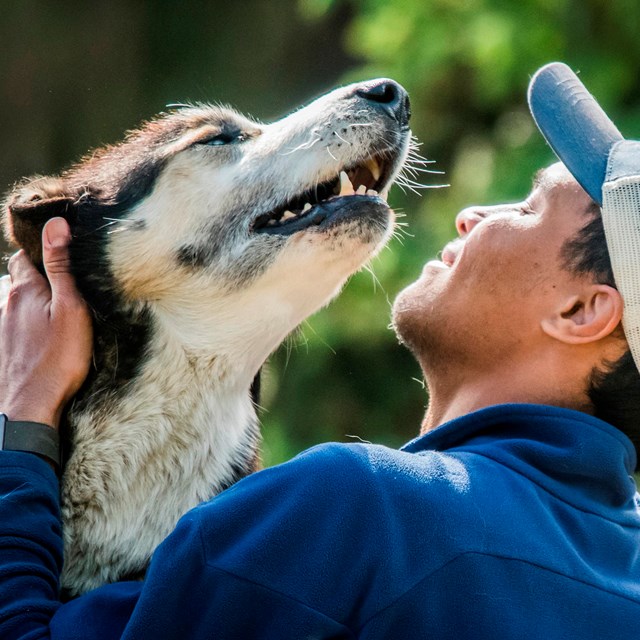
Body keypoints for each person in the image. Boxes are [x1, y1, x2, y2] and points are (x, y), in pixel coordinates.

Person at [1, 62, 639, 639]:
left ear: (582, 312)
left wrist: (26, 415)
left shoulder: (360, 515)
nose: (473, 212)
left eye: (527, 208)